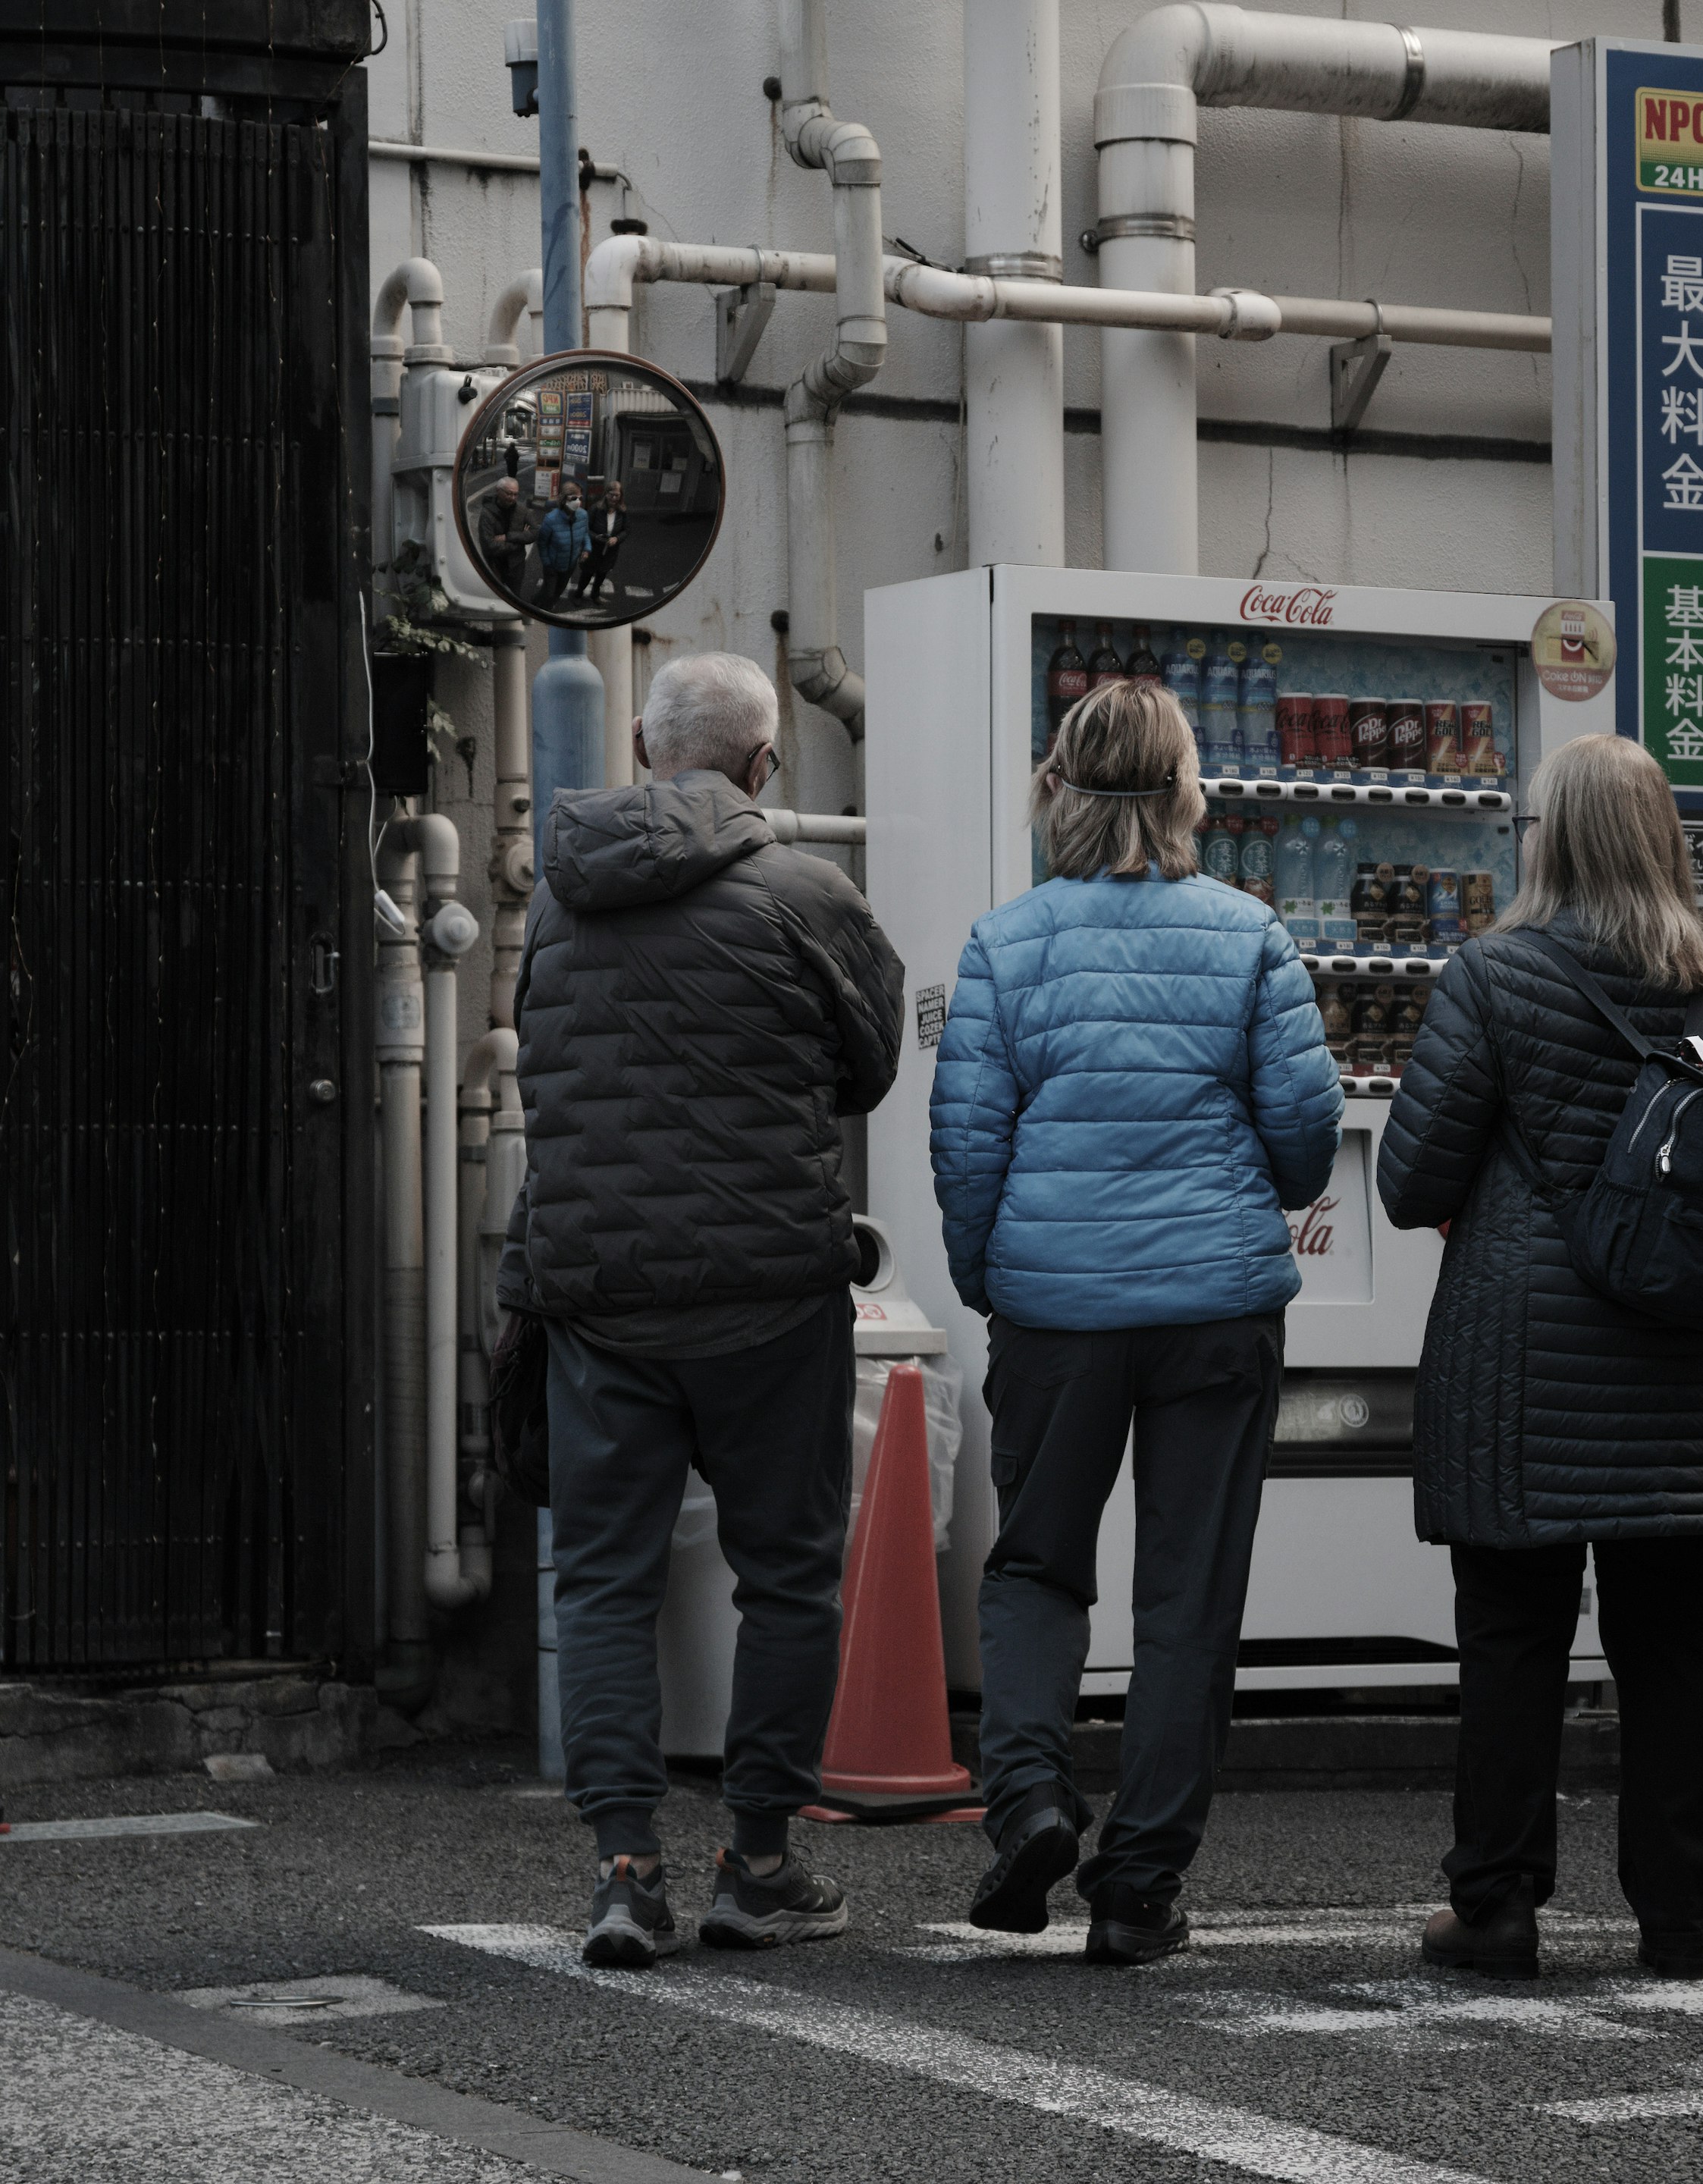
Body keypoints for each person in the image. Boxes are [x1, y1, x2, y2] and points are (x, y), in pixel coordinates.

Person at [930, 678, 1343, 1966]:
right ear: (1183, 792)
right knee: (1187, 1599)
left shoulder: (1006, 942)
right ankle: (1139, 1889)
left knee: (1039, 1566)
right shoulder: (1251, 936)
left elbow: (967, 1149)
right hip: (1217, 1308)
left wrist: (991, 1276)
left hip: (1055, 1308)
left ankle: (1032, 1806)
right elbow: (1305, 1144)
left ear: (1057, 786)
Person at [500, 651, 904, 1966]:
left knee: (604, 1586)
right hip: (768, 1295)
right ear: (765, 765)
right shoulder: (806, 892)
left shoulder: (560, 906)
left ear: (639, 745)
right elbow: (871, 1067)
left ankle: (624, 1871)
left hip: (600, 1293)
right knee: (784, 1578)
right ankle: (761, 1862)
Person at [1376, 733, 1703, 1985]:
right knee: (1672, 1643)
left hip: (1527, 1366)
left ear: (1551, 843)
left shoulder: (1493, 978)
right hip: (1686, 1362)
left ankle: (1494, 1905)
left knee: (1514, 1637)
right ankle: (1679, 1920)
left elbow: (1408, 1182)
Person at [472, 475, 534, 600]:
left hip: (516, 566)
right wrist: (519, 543)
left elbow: (535, 533)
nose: (513, 498)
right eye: (509, 494)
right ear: (498, 491)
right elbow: (489, 546)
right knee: (495, 598)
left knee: (515, 597)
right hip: (495, 567)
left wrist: (508, 537)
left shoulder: (523, 511)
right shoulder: (487, 514)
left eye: (516, 495)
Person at [535, 480, 591, 604]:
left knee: (559, 590)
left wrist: (587, 549)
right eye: (574, 498)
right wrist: (547, 563)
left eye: (580, 498)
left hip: (571, 564)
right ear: (564, 499)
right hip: (553, 565)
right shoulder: (551, 519)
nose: (578, 502)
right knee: (548, 592)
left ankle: (549, 607)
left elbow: (585, 534)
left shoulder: (583, 515)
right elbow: (542, 543)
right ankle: (536, 606)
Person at [576, 479, 629, 601]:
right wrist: (596, 537)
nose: (614, 498)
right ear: (606, 494)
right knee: (587, 574)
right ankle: (578, 594)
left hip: (611, 551)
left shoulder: (623, 511)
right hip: (594, 548)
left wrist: (617, 538)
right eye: (611, 494)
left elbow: (627, 530)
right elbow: (585, 529)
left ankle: (595, 595)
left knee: (602, 574)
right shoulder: (596, 509)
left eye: (617, 495)